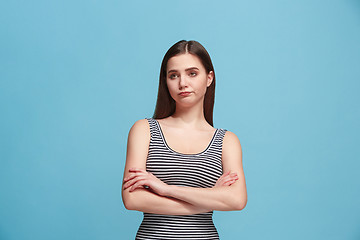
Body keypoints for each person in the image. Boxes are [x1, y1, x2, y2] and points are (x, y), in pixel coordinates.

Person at [122, 40, 247, 239]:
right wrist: (208, 199)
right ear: (165, 81)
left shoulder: (226, 141)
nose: (182, 83)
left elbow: (237, 200)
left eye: (192, 73)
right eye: (173, 75)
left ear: (209, 78)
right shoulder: (145, 130)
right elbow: (132, 199)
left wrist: (165, 189)